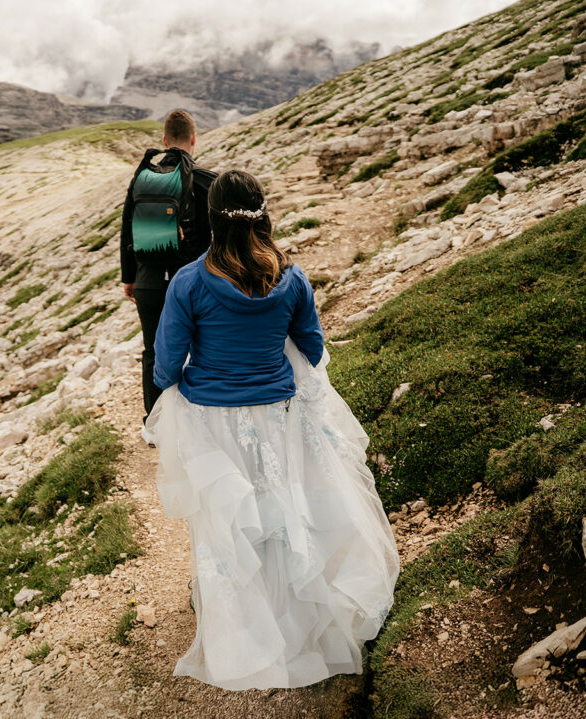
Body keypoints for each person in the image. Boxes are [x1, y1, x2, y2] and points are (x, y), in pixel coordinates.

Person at [145, 169, 400, 691]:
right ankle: (302, 619)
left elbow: (166, 366)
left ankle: (247, 629)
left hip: (215, 421)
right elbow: (311, 346)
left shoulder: (191, 282)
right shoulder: (292, 276)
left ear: (209, 219)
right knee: (284, 511)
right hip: (279, 415)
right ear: (263, 214)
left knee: (233, 520)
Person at [120, 109, 217, 440]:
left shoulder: (143, 179)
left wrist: (129, 278)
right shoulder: (206, 181)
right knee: (198, 346)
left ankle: (155, 425)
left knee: (153, 350)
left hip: (148, 280)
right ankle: (198, 420)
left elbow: (127, 230)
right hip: (191, 281)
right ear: (193, 139)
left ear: (164, 141)